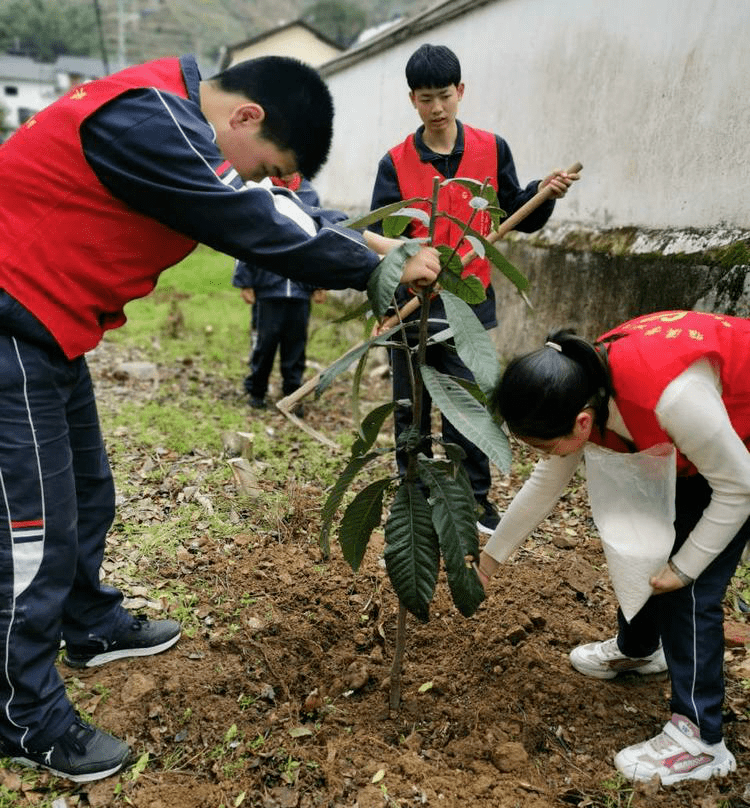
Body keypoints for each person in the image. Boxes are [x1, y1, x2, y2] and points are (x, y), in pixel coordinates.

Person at [0, 54, 439, 783]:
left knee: (85, 490)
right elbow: (250, 216)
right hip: (12, 327)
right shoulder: (150, 119)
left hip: (46, 323)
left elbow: (268, 203)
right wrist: (374, 271)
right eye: (269, 166)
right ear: (246, 118)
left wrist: (380, 246)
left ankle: (90, 623)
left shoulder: (165, 109)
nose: (266, 182)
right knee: (31, 537)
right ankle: (23, 717)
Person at [476, 309, 750, 786]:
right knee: (642, 538)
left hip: (739, 449)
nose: (542, 456)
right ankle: (643, 649)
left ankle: (702, 741)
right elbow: (546, 483)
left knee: (690, 589)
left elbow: (739, 487)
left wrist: (684, 569)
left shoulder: (674, 398)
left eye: (543, 445)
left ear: (582, 423)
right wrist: (488, 560)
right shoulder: (578, 382)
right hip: (702, 446)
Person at [369, 43, 576, 535]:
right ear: (412, 100)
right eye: (425, 99)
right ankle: (414, 499)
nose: (437, 108)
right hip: (413, 310)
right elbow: (383, 238)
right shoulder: (394, 163)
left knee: (470, 404)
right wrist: (406, 268)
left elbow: (513, 213)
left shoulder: (491, 148)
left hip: (470, 304)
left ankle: (475, 502)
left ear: (460, 92)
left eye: (444, 95)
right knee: (410, 406)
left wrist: (542, 195)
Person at [233, 174, 326, 412]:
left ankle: (292, 392)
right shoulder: (261, 190)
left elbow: (317, 238)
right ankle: (256, 389)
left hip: (299, 289)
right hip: (268, 287)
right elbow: (247, 236)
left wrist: (319, 282)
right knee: (265, 342)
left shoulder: (308, 194)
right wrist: (245, 281)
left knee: (295, 344)